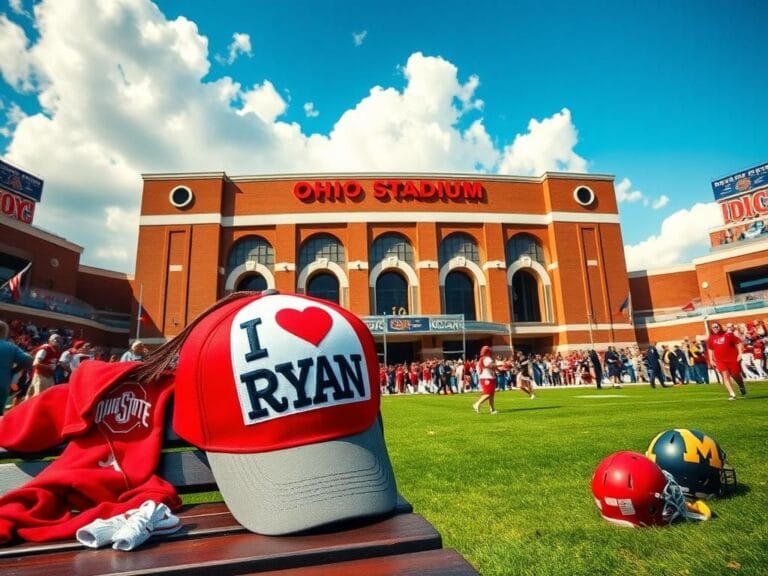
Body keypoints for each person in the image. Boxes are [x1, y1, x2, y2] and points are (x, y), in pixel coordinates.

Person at [707, 321, 746, 400]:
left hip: (732, 359)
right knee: (725, 377)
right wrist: (711, 359)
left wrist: (740, 354)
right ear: (711, 329)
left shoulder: (728, 335)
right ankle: (732, 394)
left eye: (717, 326)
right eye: (714, 327)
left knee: (735, 375)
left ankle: (741, 386)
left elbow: (738, 343)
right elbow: (710, 349)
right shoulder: (711, 338)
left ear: (720, 327)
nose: (715, 328)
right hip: (720, 360)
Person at [0, 321, 33, 415]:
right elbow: (28, 360)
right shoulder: (10, 347)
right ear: (5, 333)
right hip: (2, 383)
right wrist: (13, 371)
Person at [25, 333, 64, 401]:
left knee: (47, 395)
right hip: (41, 375)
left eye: (60, 341)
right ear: (50, 341)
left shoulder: (57, 351)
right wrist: (48, 367)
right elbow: (36, 364)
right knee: (38, 397)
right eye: (56, 341)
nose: (58, 343)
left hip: (49, 376)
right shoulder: (44, 350)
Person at [472, 345, 498, 414]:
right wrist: (498, 364)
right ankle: (477, 404)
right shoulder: (487, 358)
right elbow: (490, 366)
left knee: (491, 394)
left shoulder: (481, 359)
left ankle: (492, 409)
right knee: (488, 394)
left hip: (486, 377)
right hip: (487, 377)